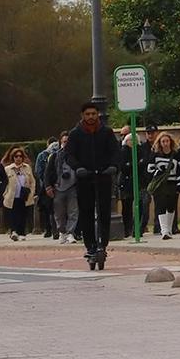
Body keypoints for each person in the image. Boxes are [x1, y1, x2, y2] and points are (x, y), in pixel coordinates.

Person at [64, 103, 121, 266]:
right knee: (86, 212)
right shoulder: (76, 134)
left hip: (103, 176)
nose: (91, 117)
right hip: (84, 178)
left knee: (104, 213)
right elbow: (69, 155)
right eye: (88, 114)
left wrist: (113, 166)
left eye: (94, 114)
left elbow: (115, 152)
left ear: (98, 115)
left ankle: (103, 244)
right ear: (83, 115)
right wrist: (78, 168)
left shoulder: (106, 132)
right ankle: (90, 245)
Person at [145, 133, 180, 239]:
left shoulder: (176, 154)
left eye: (167, 141)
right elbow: (149, 169)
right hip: (160, 184)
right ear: (160, 143)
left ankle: (169, 228)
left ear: (170, 142)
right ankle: (164, 231)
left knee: (171, 206)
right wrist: (159, 170)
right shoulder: (155, 154)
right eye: (163, 141)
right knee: (161, 206)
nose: (165, 143)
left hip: (172, 184)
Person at [0, 147, 36, 241]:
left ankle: (22, 232)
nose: (18, 158)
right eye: (16, 156)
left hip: (24, 195)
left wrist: (32, 192)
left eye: (20, 156)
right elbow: (3, 182)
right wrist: (4, 193)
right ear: (13, 158)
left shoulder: (27, 167)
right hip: (12, 195)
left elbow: (32, 181)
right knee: (13, 215)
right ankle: (13, 231)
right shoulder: (7, 169)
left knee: (23, 214)